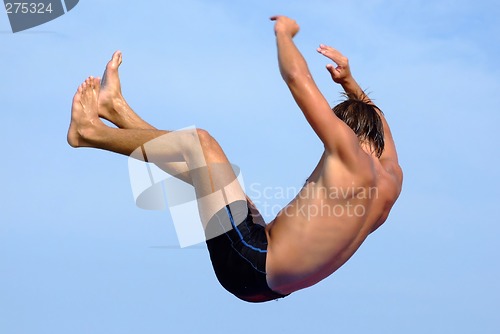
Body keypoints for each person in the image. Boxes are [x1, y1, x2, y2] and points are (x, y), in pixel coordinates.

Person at [67, 15, 403, 303]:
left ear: (347, 130)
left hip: (253, 260)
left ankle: (88, 133)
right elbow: (381, 126)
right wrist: (349, 82)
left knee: (199, 143)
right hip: (264, 280)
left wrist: (284, 33)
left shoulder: (347, 150)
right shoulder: (391, 181)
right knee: (209, 172)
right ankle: (115, 108)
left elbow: (298, 79)